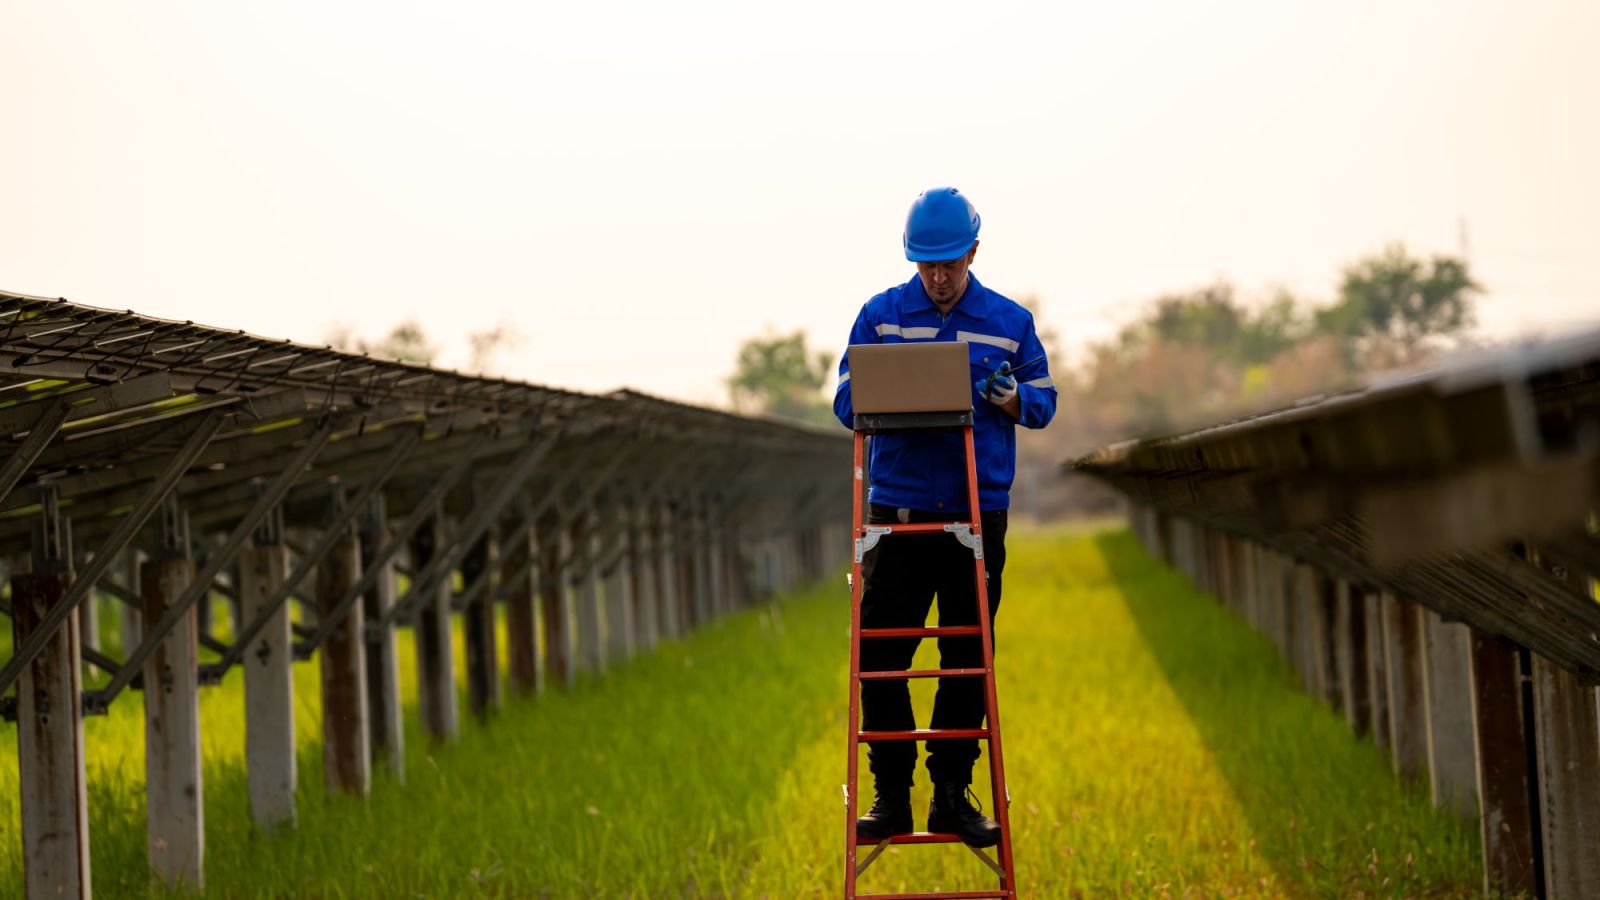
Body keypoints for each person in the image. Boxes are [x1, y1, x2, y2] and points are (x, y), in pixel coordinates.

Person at [832, 186, 1057, 848]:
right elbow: (846, 400)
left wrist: (1012, 397)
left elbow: (1044, 400)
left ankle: (953, 794)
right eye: (927, 265)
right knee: (881, 655)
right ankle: (892, 794)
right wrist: (880, 394)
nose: (937, 278)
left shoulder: (1008, 322)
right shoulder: (880, 317)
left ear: (973, 253)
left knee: (967, 659)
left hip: (975, 515)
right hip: (896, 514)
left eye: (950, 264)